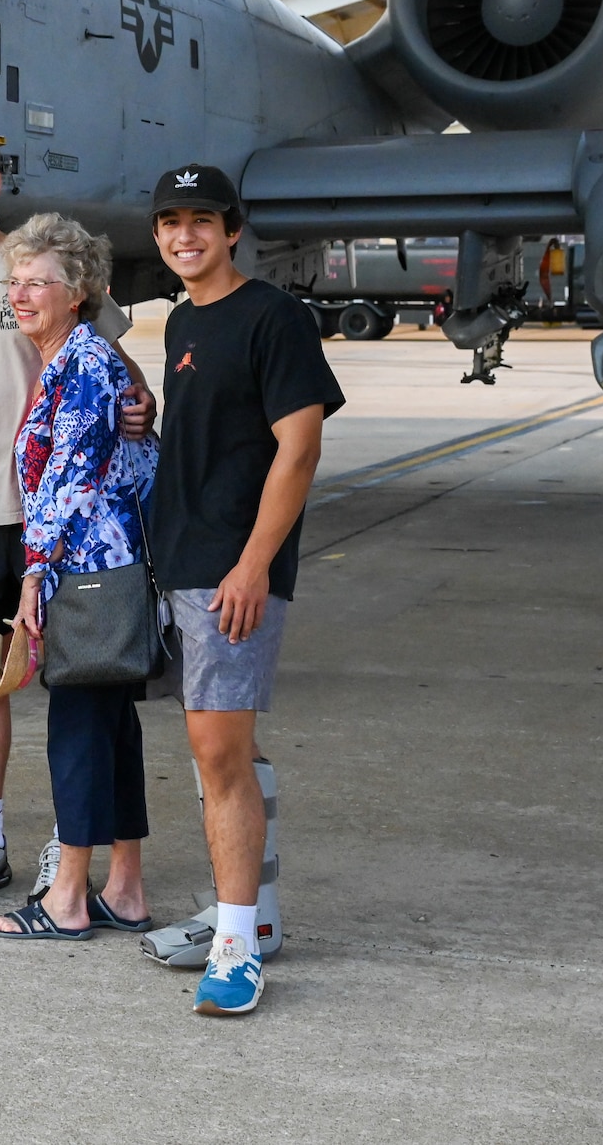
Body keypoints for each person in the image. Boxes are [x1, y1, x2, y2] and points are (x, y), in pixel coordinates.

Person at [0, 127, 157, 906]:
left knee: (76, 682)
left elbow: (111, 358)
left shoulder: (46, 264)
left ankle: (68, 846)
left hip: (60, 520)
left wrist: (140, 403)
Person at [143, 164, 343, 1016]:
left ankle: (235, 949)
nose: (186, 235)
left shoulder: (275, 317)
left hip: (233, 570)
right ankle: (250, 917)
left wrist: (256, 563)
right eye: (171, 223)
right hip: (183, 561)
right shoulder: (184, 320)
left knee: (218, 753)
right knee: (226, 750)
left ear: (232, 230)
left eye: (202, 220)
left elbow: (298, 449)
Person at [0, 214, 158, 940]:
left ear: (78, 290)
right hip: (111, 569)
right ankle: (128, 887)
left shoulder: (82, 363)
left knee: (79, 728)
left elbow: (70, 479)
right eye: (14, 281)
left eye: (38, 282)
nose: (21, 295)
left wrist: (34, 578)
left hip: (85, 573)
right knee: (113, 725)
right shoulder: (84, 360)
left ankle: (69, 897)